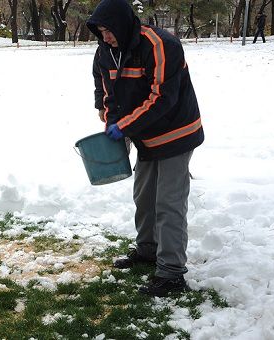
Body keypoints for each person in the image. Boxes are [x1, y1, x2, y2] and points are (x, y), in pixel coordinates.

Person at [87, 0, 204, 297]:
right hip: (144, 134)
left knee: (168, 203)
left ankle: (172, 273)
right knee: (144, 197)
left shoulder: (161, 44)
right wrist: (112, 126)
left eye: (109, 30)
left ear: (124, 24)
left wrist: (124, 127)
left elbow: (163, 97)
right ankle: (148, 250)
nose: (106, 36)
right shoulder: (105, 53)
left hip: (176, 132)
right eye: (100, 31)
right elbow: (107, 96)